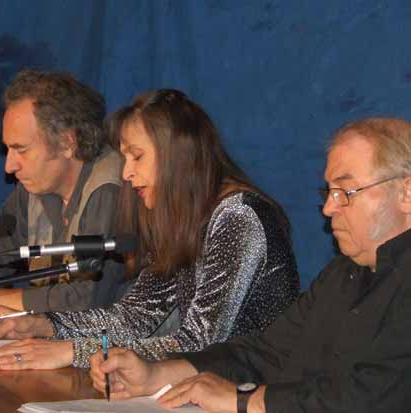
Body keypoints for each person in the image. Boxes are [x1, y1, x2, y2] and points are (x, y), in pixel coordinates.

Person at [90, 117, 411, 413]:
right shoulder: (341, 275)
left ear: (406, 193)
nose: (328, 208)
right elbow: (264, 352)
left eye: (345, 192)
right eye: (329, 192)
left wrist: (243, 399)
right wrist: (155, 375)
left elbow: (369, 396)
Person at [0, 89, 299, 370]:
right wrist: (45, 325)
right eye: (125, 158)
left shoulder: (237, 216)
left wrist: (75, 351)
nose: (126, 173)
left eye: (137, 157)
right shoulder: (180, 218)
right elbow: (135, 317)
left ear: (177, 156)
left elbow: (200, 343)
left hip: (257, 392)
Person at [0, 69, 129, 312]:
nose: (9, 166)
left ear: (67, 143)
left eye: (21, 150)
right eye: (8, 150)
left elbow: (86, 298)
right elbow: (1, 246)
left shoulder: (109, 189)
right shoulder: (36, 185)